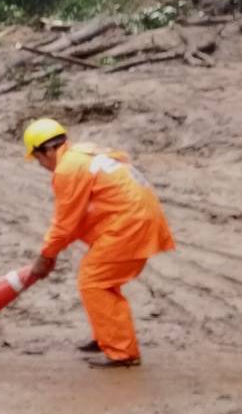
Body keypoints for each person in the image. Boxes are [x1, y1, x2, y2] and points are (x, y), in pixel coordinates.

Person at [23, 118, 175, 368]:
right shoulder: (85, 152)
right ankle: (107, 336)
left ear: (48, 150)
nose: (41, 165)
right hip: (139, 218)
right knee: (102, 279)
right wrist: (52, 253)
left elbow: (65, 223)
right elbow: (79, 219)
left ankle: (122, 352)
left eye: (38, 158)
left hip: (129, 224)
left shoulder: (68, 169)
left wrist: (46, 256)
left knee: (93, 281)